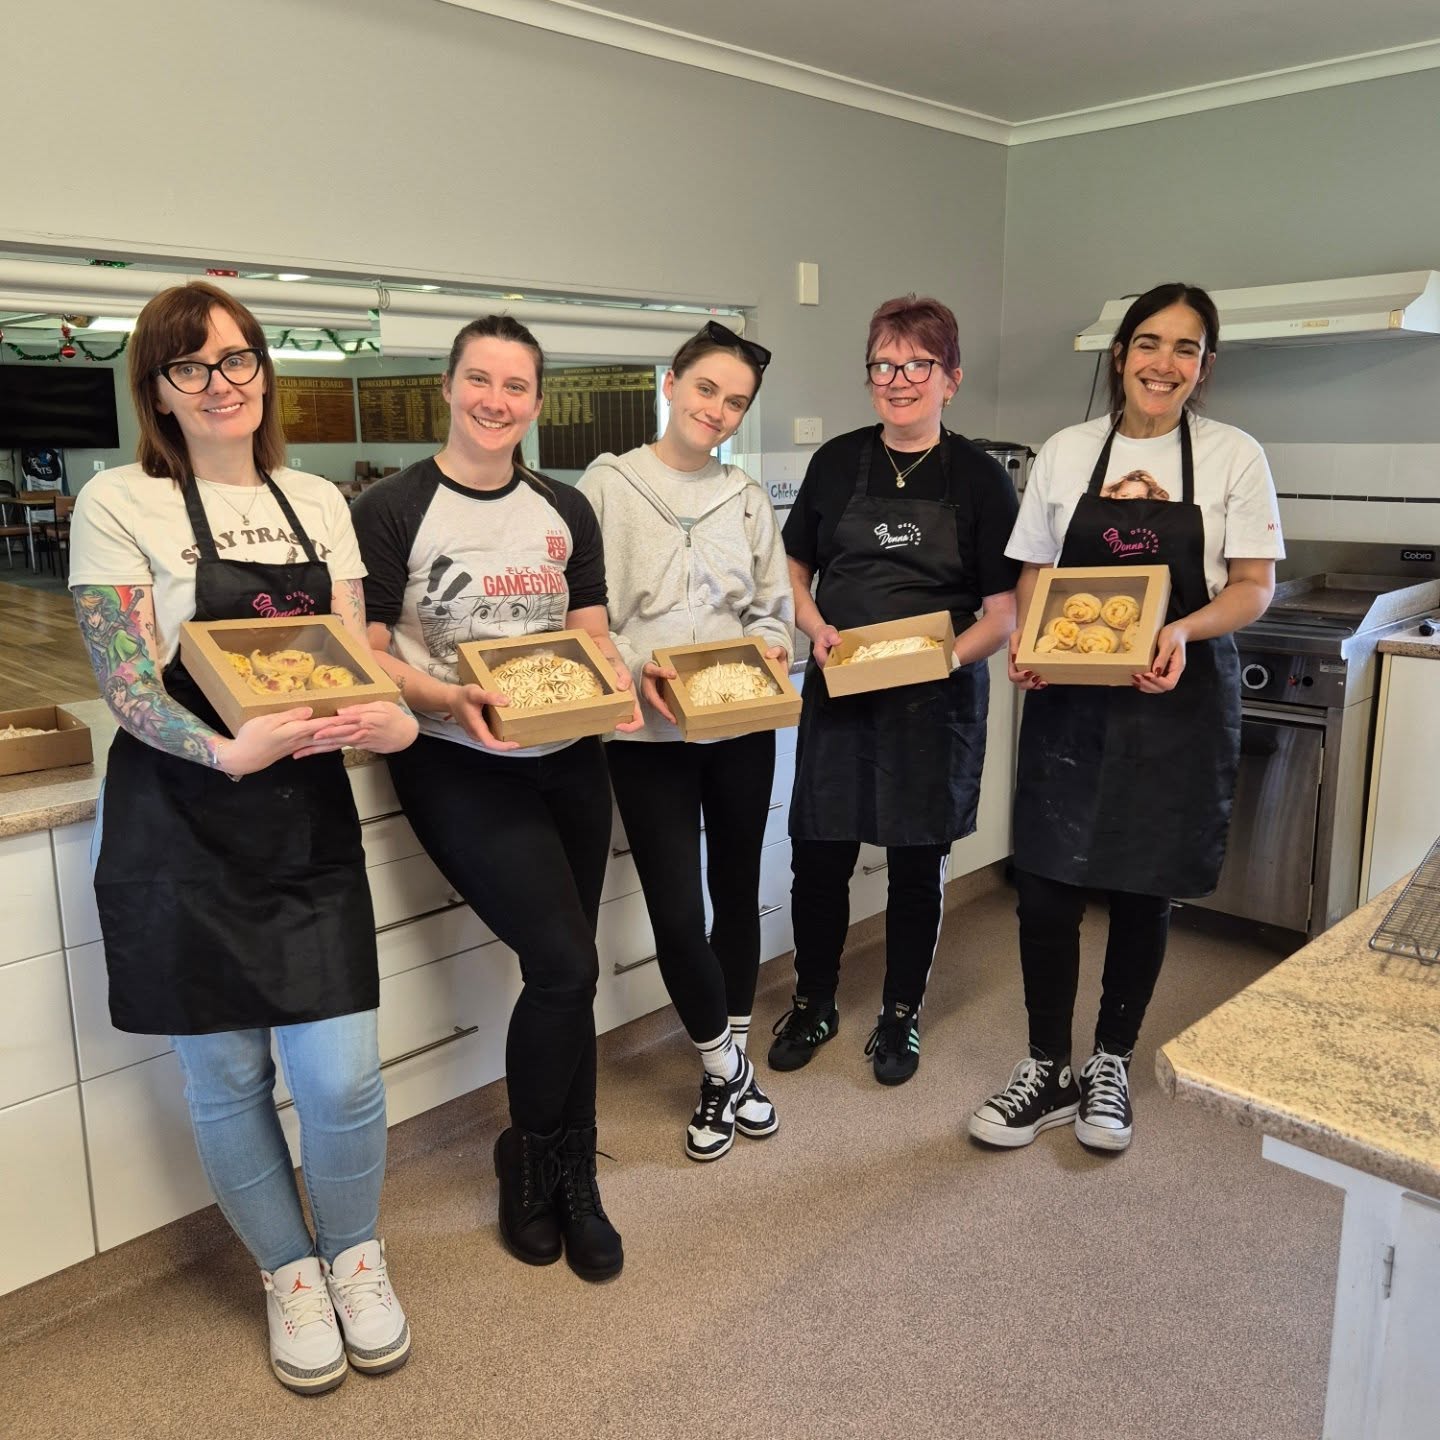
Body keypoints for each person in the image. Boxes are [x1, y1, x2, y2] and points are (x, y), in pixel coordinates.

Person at [69, 282, 418, 1395]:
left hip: (303, 818)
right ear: (157, 391)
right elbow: (126, 683)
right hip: (182, 816)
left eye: (238, 359)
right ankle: (289, 1273)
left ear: (264, 371)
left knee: (344, 1082)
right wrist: (224, 751)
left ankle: (355, 1252)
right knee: (224, 1081)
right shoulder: (119, 502)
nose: (221, 383)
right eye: (191, 366)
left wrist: (398, 716)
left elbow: (353, 652)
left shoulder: (318, 498)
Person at [351, 314, 639, 1281]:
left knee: (576, 969)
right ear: (447, 386)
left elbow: (591, 630)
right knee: (560, 962)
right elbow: (374, 650)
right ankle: (528, 1158)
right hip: (456, 758)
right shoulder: (392, 508)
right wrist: (448, 696)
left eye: (516, 387)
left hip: (567, 756)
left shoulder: (564, 508)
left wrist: (617, 682)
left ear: (537, 402)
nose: (496, 401)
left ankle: (573, 1174)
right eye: (479, 379)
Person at [968, 281, 1283, 1154]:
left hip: (1175, 693)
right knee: (1045, 887)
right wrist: (1029, 639)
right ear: (1121, 355)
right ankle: (1045, 1068)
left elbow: (1255, 586)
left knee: (1144, 887)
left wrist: (1178, 627)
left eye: (1186, 349)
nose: (1165, 363)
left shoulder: (1232, 456)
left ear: (1204, 367)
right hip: (1072, 701)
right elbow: (1035, 573)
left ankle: (1110, 1059)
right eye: (1150, 344)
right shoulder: (1069, 452)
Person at [769, 295, 1020, 1085]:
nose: (898, 379)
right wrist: (813, 625)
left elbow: (1004, 612)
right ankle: (814, 1000)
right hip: (841, 688)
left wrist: (939, 661)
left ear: (951, 379)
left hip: (934, 700)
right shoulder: (837, 462)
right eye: (884, 364)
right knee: (819, 856)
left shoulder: (980, 478)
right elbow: (796, 567)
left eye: (918, 365)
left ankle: (901, 1014)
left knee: (917, 863)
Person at [578, 321, 794, 1162]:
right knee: (676, 907)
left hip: (738, 720)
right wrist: (641, 669)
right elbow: (584, 612)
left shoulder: (743, 498)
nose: (718, 410)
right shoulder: (608, 486)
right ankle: (727, 1063)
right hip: (649, 730)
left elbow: (771, 606)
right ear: (671, 383)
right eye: (707, 389)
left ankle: (717, 1076)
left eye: (736, 401)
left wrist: (773, 643)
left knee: (737, 891)